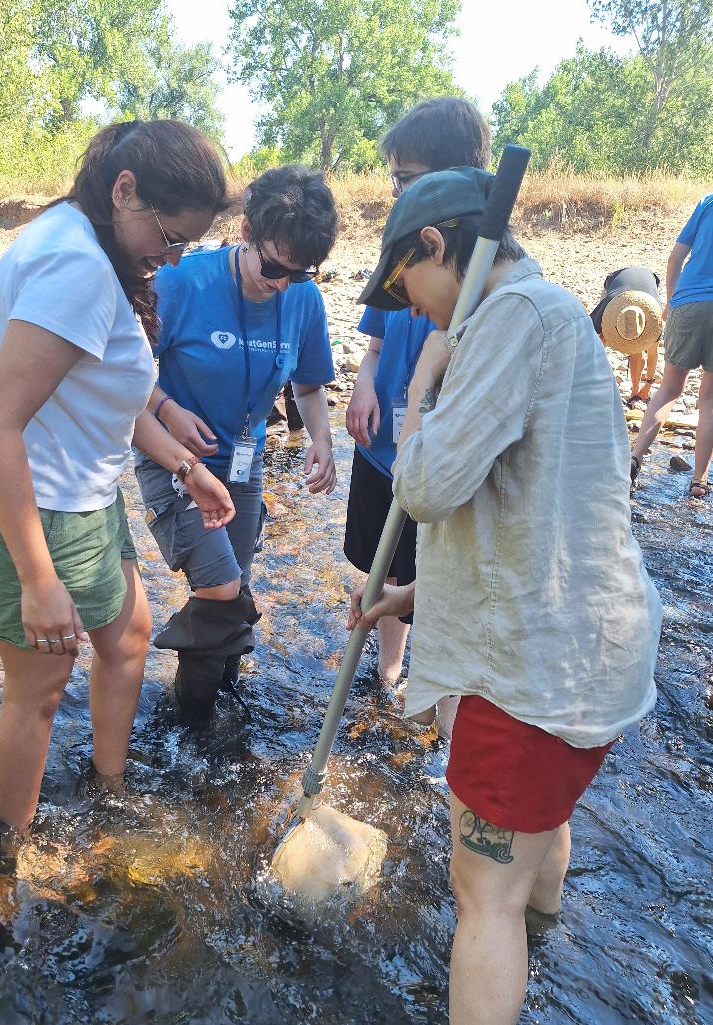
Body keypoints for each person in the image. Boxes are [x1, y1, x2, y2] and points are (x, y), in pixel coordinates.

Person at [349, 167, 660, 1025]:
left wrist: (420, 386)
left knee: (480, 895)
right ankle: (546, 950)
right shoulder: (553, 315)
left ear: (435, 246)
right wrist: (410, 596)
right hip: (589, 653)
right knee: (538, 836)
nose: (410, 310)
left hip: (531, 676)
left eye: (405, 284)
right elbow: (531, 508)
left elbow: (428, 487)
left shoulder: (507, 319)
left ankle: (512, 956)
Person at [0, 119, 235, 841]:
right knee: (40, 682)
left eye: (185, 245)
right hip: (18, 491)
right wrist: (39, 580)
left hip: (81, 491)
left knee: (128, 634)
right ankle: (9, 850)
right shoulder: (76, 265)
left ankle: (108, 787)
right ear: (124, 190)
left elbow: (109, 395)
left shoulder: (92, 236)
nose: (169, 257)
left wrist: (185, 466)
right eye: (166, 237)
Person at [136, 164, 339, 719]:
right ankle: (191, 714)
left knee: (234, 584)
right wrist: (167, 408)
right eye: (273, 267)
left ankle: (219, 698)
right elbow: (118, 374)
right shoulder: (181, 282)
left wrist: (321, 439)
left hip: (244, 465)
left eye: (298, 274)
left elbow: (309, 384)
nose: (281, 284)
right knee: (223, 586)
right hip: (173, 456)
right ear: (247, 231)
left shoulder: (303, 300)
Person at [344, 97, 491, 696]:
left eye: (403, 177)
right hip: (385, 447)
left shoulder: (478, 282)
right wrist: (362, 387)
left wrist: (421, 381)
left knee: (428, 563)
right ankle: (385, 671)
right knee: (378, 559)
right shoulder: (408, 260)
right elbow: (376, 342)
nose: (394, 189)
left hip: (431, 458)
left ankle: (427, 681)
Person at [631, 192, 713, 497]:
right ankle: (699, 482)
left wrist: (672, 299)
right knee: (709, 399)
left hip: (688, 301)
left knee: (669, 389)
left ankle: (634, 460)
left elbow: (675, 257)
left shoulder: (708, 203)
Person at [589, 267, 663, 411]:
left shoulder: (654, 318)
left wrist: (648, 383)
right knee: (600, 341)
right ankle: (594, 386)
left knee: (636, 338)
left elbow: (653, 354)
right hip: (616, 282)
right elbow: (588, 340)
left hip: (648, 287)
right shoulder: (606, 309)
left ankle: (635, 393)